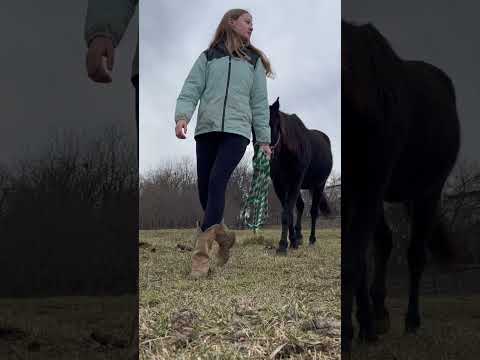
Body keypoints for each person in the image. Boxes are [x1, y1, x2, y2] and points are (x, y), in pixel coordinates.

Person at [174, 9, 273, 279]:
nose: (252, 27)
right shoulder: (208, 58)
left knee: (217, 181)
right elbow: (191, 88)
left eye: (253, 23)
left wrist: (263, 139)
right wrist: (183, 117)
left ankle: (200, 259)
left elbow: (259, 104)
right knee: (204, 190)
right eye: (247, 21)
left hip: (237, 132)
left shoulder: (254, 62)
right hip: (206, 129)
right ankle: (224, 236)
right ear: (231, 22)